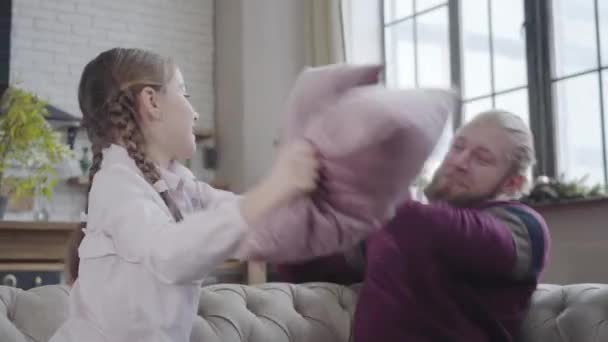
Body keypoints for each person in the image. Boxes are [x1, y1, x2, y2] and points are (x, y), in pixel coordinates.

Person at [50, 47, 324, 342]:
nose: (195, 113)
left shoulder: (180, 185)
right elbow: (170, 254)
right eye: (184, 94)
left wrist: (303, 189)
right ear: (152, 102)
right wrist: (277, 187)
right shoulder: (116, 183)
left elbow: (244, 215)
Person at [276, 110, 551, 341]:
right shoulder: (395, 226)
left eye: (482, 158)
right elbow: (306, 264)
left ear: (512, 183)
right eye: (458, 147)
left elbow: (430, 228)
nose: (459, 162)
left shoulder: (523, 227)